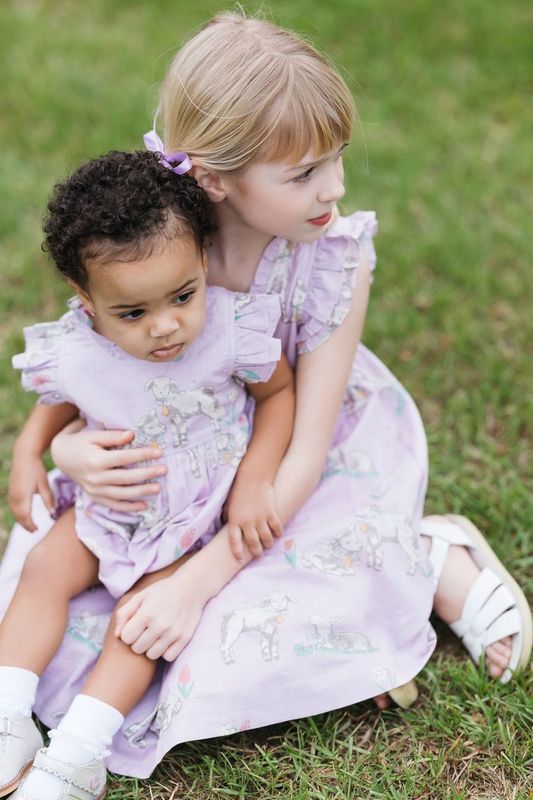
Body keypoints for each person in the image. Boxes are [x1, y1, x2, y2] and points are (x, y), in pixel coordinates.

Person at [1, 9, 530, 790]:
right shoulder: (156, 245)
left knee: (232, 625)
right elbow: (100, 364)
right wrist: (65, 446)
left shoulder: (332, 259)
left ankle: (428, 554)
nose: (335, 188)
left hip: (289, 466)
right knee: (64, 600)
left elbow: (305, 443)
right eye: (304, 174)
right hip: (174, 467)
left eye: (336, 160)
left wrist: (195, 581)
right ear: (215, 179)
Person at [0, 148, 295, 799]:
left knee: (139, 619)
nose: (165, 327)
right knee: (45, 566)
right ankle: (7, 718)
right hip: (113, 503)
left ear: (202, 261)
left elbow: (278, 395)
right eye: (132, 313)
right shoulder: (79, 344)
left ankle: (78, 750)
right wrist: (28, 454)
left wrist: (255, 477)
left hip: (191, 517)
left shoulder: (226, 330)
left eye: (182, 295)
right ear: (87, 299)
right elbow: (60, 402)